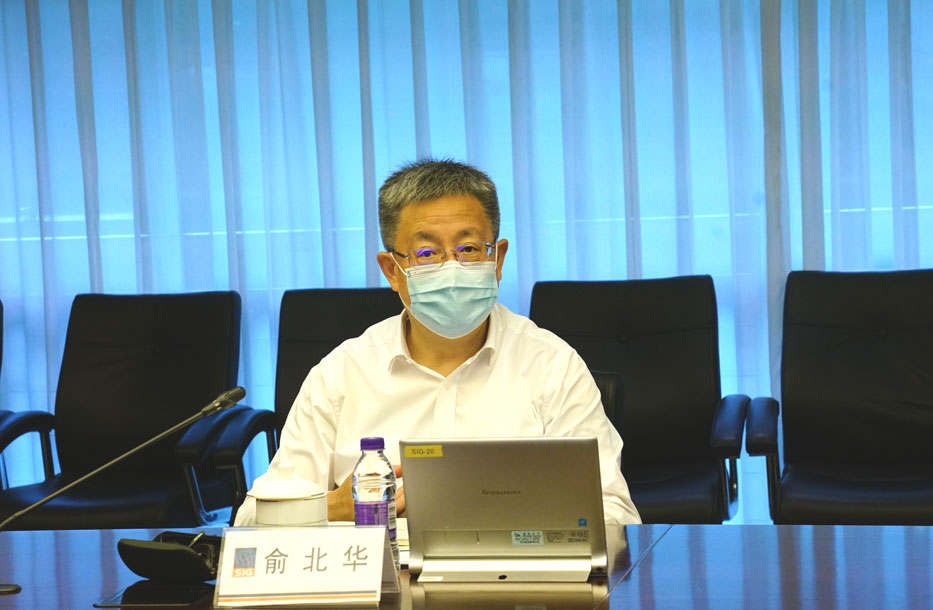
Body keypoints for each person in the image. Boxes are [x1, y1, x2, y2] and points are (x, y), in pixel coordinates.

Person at [235, 159, 641, 525]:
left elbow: (615, 514)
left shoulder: (552, 366)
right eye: (427, 253)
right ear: (392, 271)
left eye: (468, 248)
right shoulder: (341, 374)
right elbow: (251, 518)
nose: (451, 267)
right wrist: (329, 508)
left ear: (497, 259)